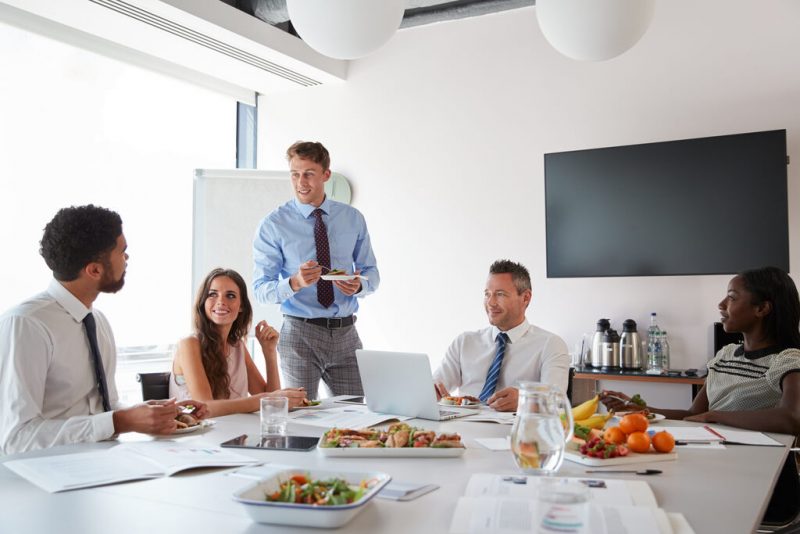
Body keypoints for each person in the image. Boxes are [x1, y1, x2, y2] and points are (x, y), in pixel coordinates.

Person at [0, 205, 207, 455]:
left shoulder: (97, 321)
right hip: (47, 473)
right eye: (122, 251)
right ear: (95, 270)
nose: (127, 259)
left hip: (103, 462)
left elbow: (102, 410)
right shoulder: (26, 324)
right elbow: (16, 438)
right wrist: (121, 421)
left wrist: (153, 413)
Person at [600, 266, 800, 435]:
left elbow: (792, 418)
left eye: (732, 297)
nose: (721, 304)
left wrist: (717, 416)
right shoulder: (725, 355)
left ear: (762, 309)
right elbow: (694, 414)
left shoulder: (788, 360)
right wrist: (640, 410)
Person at [252, 141, 380, 399]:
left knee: (354, 413)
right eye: (295, 174)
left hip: (346, 334)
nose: (301, 182)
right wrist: (295, 283)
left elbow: (371, 273)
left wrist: (359, 285)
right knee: (301, 414)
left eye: (309, 174)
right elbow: (260, 290)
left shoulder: (352, 219)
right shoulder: (273, 224)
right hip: (300, 333)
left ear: (326, 175)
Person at [433, 259, 570, 412]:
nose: (490, 303)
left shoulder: (551, 345)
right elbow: (436, 385)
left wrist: (525, 400)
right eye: (487, 294)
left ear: (525, 298)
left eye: (500, 294)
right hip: (462, 425)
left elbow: (556, 402)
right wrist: (430, 392)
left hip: (515, 426)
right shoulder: (464, 342)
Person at [169, 268, 307, 416]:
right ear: (203, 302)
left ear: (241, 306)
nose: (221, 302)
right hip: (199, 430)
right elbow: (205, 407)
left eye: (230, 296)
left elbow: (273, 407)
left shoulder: (237, 346)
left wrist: (269, 353)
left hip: (234, 428)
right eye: (212, 294)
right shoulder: (188, 344)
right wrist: (267, 398)